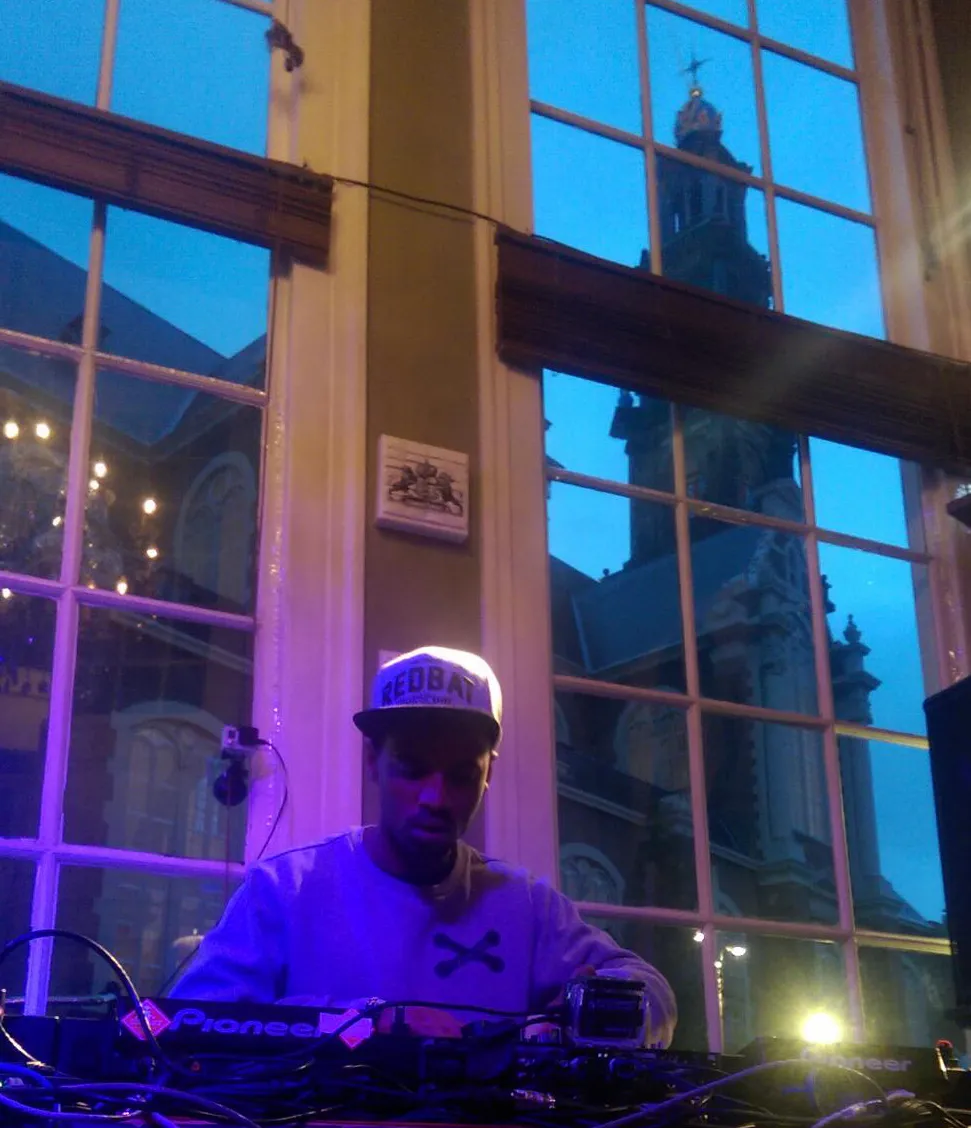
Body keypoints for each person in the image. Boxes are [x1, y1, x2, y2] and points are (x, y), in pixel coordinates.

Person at [170, 646, 677, 1046]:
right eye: (412, 770)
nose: (435, 797)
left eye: (461, 776)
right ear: (374, 763)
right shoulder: (283, 890)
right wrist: (372, 1024)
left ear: (488, 775)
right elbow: (188, 1022)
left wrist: (597, 1008)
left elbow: (653, 992)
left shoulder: (527, 906)